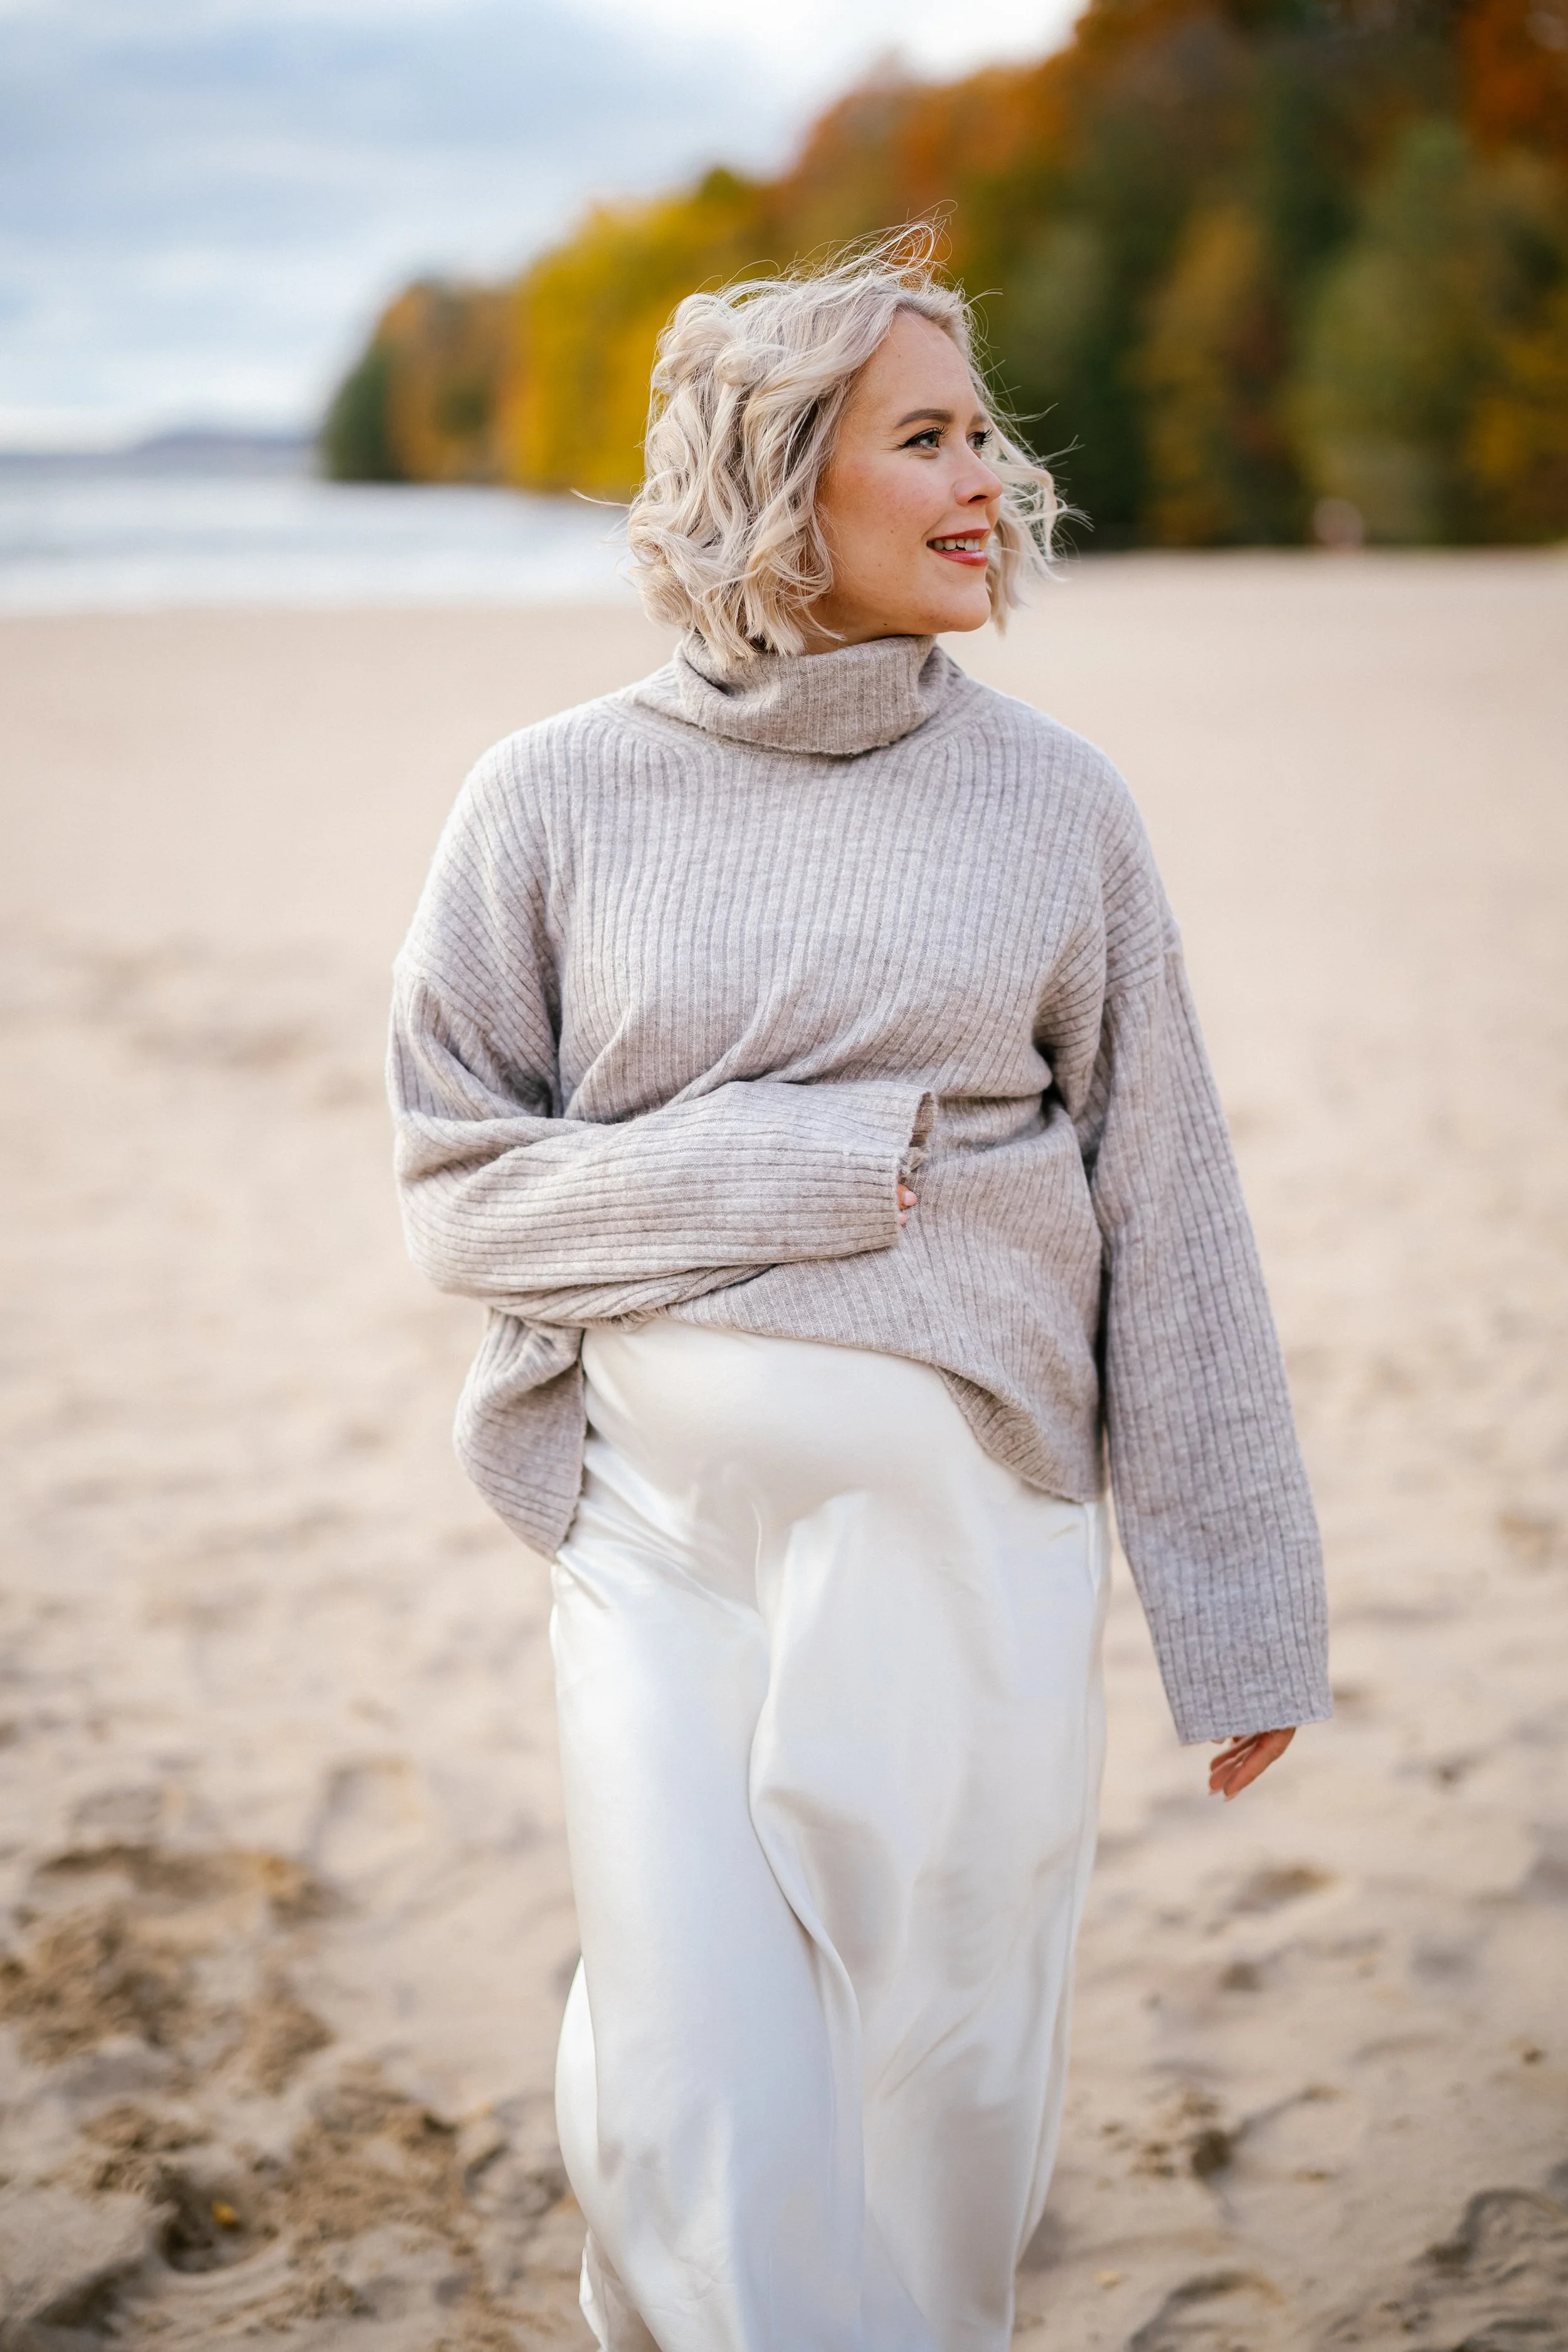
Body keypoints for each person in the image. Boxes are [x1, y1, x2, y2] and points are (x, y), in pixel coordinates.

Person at [387, 228, 1330, 2352]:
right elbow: (456, 1194)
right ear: (768, 479)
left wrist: (1236, 1600)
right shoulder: (544, 799)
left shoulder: (1055, 804)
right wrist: (803, 1165)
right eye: (925, 437)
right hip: (650, 1542)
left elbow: (1171, 1213)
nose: (991, 478)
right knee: (690, 2086)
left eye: (980, 430)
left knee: (945, 2092)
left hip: (970, 1545)